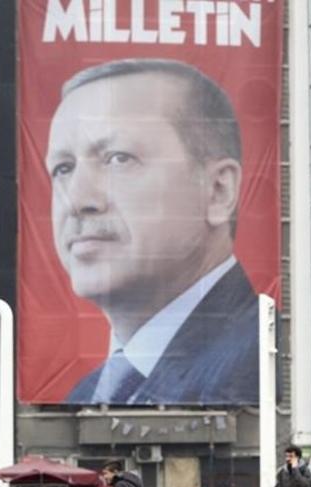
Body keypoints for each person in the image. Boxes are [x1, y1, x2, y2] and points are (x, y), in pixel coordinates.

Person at [48, 59, 258, 404]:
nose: (77, 199)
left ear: (218, 190)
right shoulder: (86, 393)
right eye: (63, 168)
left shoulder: (258, 364)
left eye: (118, 159)